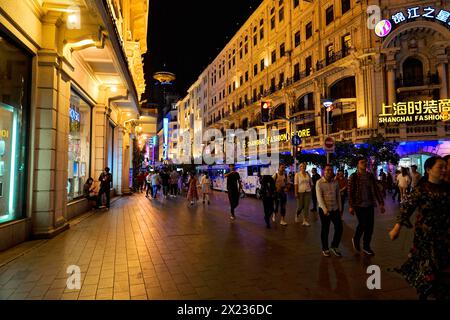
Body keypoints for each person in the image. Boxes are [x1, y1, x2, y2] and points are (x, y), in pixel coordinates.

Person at [389, 156, 450, 300]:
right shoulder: (421, 189)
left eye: (444, 167)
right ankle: (425, 292)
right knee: (427, 270)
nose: (444, 170)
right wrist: (396, 228)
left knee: (443, 270)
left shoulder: (447, 188)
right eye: (440, 167)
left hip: (445, 237)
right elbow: (407, 208)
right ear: (429, 169)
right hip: (425, 238)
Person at [348, 157, 385, 255]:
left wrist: (381, 203)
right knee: (363, 224)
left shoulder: (370, 176)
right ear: (358, 164)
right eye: (362, 162)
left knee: (370, 227)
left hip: (369, 204)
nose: (364, 164)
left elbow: (376, 190)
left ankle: (366, 246)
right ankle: (356, 238)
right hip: (359, 204)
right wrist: (351, 205)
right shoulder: (354, 176)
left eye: (365, 162)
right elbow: (350, 192)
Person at [316, 164, 343, 257]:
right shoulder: (319, 182)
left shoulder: (335, 182)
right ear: (324, 171)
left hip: (335, 208)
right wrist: (324, 209)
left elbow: (338, 196)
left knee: (339, 228)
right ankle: (325, 248)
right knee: (325, 229)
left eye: (330, 170)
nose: (329, 171)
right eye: (327, 170)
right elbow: (319, 197)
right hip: (325, 210)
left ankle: (334, 246)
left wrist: (340, 208)